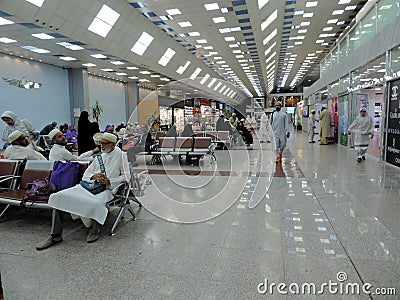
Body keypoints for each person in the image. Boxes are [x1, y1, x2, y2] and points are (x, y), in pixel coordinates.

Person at [36, 133, 130, 250]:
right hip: (89, 186)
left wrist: (109, 181)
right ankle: (55, 235)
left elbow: (127, 177)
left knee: (96, 203)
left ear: (114, 144)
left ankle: (94, 230)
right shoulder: (99, 157)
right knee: (58, 197)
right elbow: (87, 174)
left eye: (105, 143)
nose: (102, 146)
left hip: (107, 189)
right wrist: (94, 176)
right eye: (101, 143)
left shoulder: (121, 156)